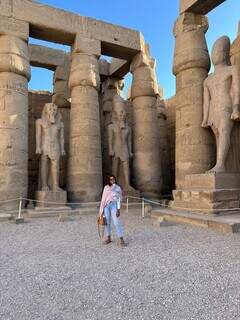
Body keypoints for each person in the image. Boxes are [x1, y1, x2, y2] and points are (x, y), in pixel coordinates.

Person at [99, 175, 125, 246]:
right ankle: (109, 238)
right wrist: (102, 210)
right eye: (110, 179)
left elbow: (119, 199)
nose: (112, 180)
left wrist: (118, 209)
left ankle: (121, 238)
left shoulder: (118, 188)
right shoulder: (106, 187)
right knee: (107, 222)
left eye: (113, 179)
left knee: (116, 222)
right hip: (106, 206)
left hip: (114, 205)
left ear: (115, 180)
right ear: (108, 180)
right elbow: (103, 198)